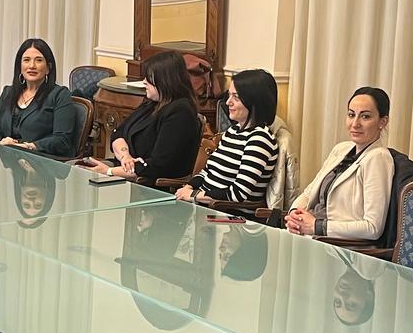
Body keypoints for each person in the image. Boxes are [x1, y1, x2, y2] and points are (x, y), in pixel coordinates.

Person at [283, 87, 395, 240]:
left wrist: (317, 226)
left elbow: (373, 227)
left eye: (365, 116)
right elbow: (308, 194)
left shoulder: (378, 158)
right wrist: (294, 215)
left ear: (382, 122)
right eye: (351, 115)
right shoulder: (341, 149)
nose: (355, 123)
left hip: (334, 244)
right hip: (308, 235)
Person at [78, 50, 200, 187]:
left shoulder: (180, 112)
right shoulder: (151, 103)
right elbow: (118, 133)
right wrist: (125, 156)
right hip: (127, 171)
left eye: (149, 78)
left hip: (149, 184)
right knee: (76, 167)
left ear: (165, 81)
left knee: (83, 178)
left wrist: (108, 171)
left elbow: (156, 166)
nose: (144, 82)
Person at [174, 68, 279, 205]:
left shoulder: (259, 139)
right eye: (229, 95)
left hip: (226, 214)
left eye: (236, 97)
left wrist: (194, 195)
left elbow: (238, 194)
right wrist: (189, 187)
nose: (228, 102)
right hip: (202, 205)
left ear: (255, 101)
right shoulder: (233, 131)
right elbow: (208, 171)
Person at [0, 38, 78, 156]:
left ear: (48, 67)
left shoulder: (60, 95)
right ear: (20, 66)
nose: (32, 66)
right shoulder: (8, 92)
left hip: (41, 160)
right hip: (6, 158)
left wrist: (27, 147)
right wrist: (1, 143)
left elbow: (62, 140)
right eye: (26, 60)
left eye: (38, 60)